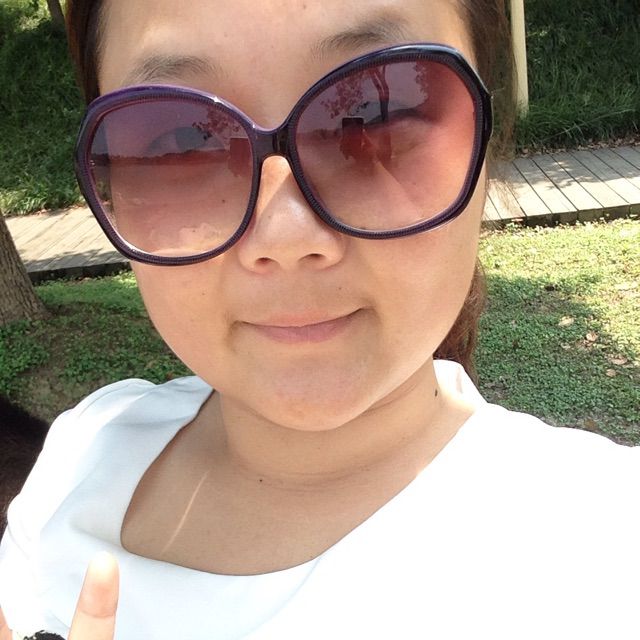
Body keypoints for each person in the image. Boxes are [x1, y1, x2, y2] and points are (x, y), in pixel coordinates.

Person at [1, 0, 639, 638]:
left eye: (378, 113)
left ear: (487, 137)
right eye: (182, 139)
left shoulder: (605, 550)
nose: (283, 235)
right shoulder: (81, 452)